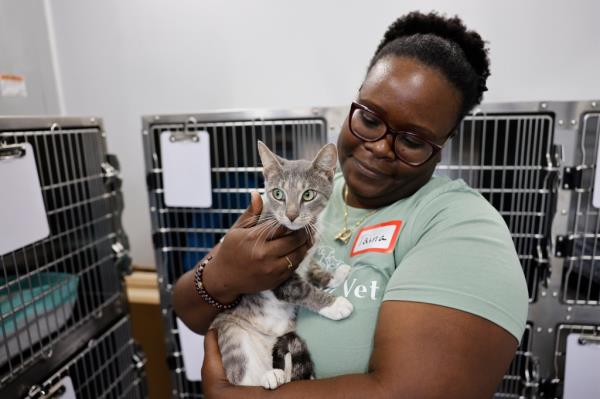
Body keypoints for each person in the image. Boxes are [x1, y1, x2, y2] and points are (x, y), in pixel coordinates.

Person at [172, 11, 529, 399]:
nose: (379, 147)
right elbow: (189, 310)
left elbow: (408, 392)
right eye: (371, 118)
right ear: (356, 100)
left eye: (412, 141)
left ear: (444, 144)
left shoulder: (462, 228)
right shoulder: (307, 192)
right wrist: (223, 273)